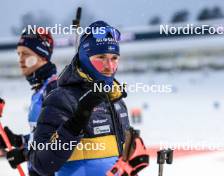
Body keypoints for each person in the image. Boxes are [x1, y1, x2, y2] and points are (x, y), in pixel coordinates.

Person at [29, 21, 148, 176]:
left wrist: (133, 159)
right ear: (85, 59)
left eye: (114, 58)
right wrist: (76, 121)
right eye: (101, 57)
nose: (109, 66)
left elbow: (117, 164)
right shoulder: (61, 99)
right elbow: (41, 164)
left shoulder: (116, 100)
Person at [0, 27, 57, 176]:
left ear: (42, 55)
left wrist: (24, 154)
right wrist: (17, 140)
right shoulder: (40, 89)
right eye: (19, 54)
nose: (20, 60)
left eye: (26, 54)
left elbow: (60, 140)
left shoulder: (53, 89)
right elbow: (40, 136)